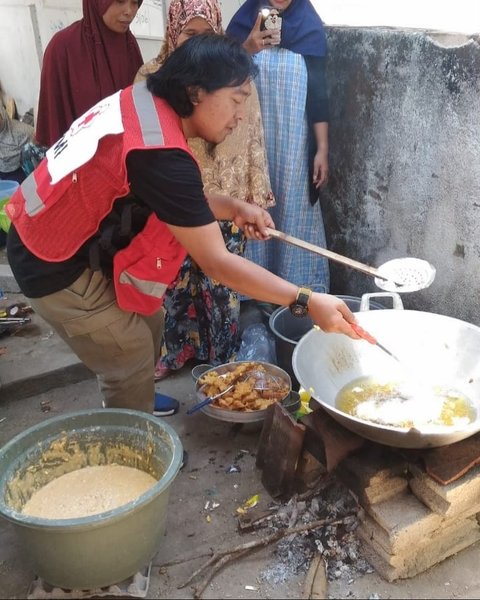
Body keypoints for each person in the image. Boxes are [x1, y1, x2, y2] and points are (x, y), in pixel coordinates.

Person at [6, 34, 361, 419]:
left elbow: (175, 199)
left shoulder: (146, 100)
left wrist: (232, 207)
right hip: (49, 258)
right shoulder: (161, 153)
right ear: (196, 93)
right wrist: (305, 300)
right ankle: (132, 435)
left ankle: (134, 393)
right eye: (237, 99)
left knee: (151, 317)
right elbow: (217, 264)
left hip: (52, 223)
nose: (241, 114)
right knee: (129, 351)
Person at [136, 0, 275, 381]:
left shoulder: (232, 84)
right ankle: (176, 350)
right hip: (176, 201)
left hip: (222, 194)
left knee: (221, 290)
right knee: (176, 282)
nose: (238, 114)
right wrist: (304, 301)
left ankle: (221, 360)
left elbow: (252, 141)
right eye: (188, 34)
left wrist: (247, 199)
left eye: (206, 35)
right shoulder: (151, 83)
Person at [227, 0, 331, 303]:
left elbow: (319, 97)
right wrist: (248, 46)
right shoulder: (244, 21)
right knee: (254, 208)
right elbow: (219, 76)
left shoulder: (310, 28)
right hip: (249, 146)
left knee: (292, 210)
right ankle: (251, 296)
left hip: (293, 148)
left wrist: (322, 148)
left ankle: (297, 298)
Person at [35, 0, 144, 148]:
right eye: (120, 1)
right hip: (82, 163)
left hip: (126, 160)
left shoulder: (128, 44)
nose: (130, 11)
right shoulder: (62, 49)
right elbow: (54, 124)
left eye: (135, 2)